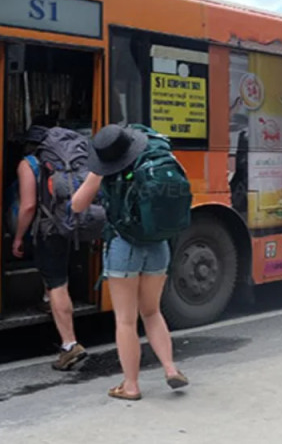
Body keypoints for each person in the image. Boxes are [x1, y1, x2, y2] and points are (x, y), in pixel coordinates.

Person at [70, 124, 189, 401]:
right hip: (158, 244)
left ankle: (131, 385)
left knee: (125, 320)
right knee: (152, 311)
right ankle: (170, 368)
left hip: (124, 246)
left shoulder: (105, 170)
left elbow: (77, 205)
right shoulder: (156, 157)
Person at [11, 123, 87, 371]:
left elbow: (28, 206)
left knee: (57, 284)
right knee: (57, 277)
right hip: (67, 225)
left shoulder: (28, 164)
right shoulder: (61, 163)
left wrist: (18, 237)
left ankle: (69, 344)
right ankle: (47, 301)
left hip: (47, 230)